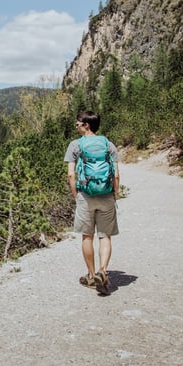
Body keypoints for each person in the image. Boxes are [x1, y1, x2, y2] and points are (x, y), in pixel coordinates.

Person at [64, 110, 120, 295]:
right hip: (106, 195)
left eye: (78, 123)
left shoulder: (75, 145)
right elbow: (116, 174)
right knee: (105, 236)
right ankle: (102, 271)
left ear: (86, 125)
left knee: (87, 236)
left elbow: (71, 174)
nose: (76, 126)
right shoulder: (108, 144)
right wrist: (115, 194)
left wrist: (75, 194)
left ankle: (90, 275)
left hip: (85, 196)